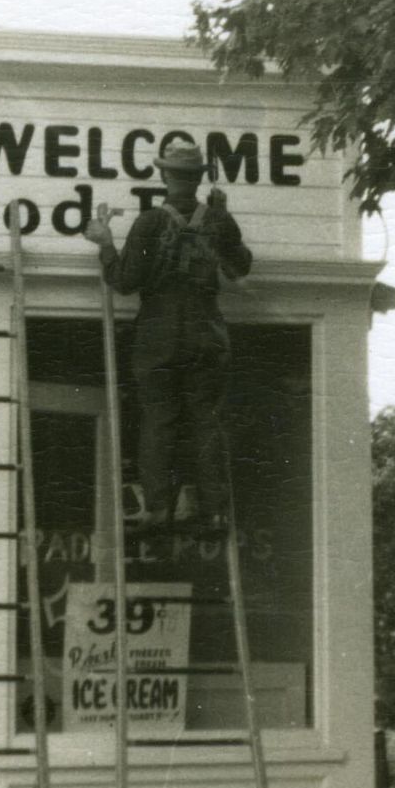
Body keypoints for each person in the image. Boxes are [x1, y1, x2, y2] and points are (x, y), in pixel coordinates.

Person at [89, 138, 253, 528]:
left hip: (158, 334)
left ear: (163, 176)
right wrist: (222, 219)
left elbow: (124, 281)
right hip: (206, 332)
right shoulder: (215, 220)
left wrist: (105, 242)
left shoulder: (150, 223)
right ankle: (214, 510)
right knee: (206, 420)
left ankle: (159, 507)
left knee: (158, 420)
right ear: (197, 179)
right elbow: (240, 268)